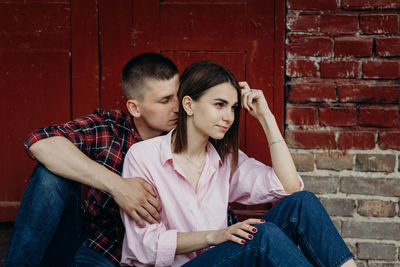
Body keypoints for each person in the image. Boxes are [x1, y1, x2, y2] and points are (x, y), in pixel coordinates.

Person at [120, 60, 356, 266]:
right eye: (219, 105)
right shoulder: (143, 156)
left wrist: (266, 117)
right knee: (261, 235)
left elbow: (289, 187)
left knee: (302, 203)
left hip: (225, 260)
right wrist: (216, 236)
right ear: (189, 105)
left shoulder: (225, 159)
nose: (229, 117)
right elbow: (145, 245)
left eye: (233, 108)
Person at [5, 53, 181, 266]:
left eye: (178, 95)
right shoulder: (110, 129)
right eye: (165, 100)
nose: (177, 107)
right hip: (89, 245)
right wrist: (119, 187)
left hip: (130, 256)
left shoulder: (187, 136)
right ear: (135, 108)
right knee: (49, 175)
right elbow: (40, 142)